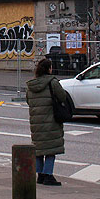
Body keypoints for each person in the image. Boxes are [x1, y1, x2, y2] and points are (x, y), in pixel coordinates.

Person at [25, 58, 67, 186]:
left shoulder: (31, 85)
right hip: (50, 120)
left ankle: (40, 175)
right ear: (49, 69)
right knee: (51, 149)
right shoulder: (52, 82)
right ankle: (48, 175)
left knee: (39, 149)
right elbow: (62, 96)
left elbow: (28, 101)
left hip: (36, 122)